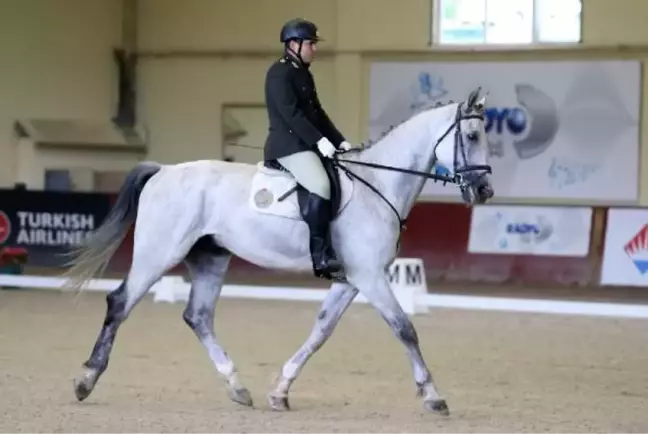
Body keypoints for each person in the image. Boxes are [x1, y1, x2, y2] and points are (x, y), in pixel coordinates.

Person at [263, 17, 354, 279]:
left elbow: (317, 113)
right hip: (288, 146)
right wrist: (318, 141)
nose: (314, 48)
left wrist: (338, 140)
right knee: (321, 185)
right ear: (293, 44)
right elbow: (291, 114)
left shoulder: (303, 73)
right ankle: (320, 254)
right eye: (310, 44)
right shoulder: (279, 73)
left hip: (307, 143)